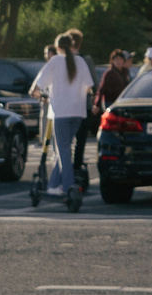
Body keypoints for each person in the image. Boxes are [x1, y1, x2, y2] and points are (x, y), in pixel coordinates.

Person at [32, 30, 97, 203]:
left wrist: (40, 95)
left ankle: (69, 187)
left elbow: (36, 88)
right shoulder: (81, 62)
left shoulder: (55, 61)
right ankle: (54, 185)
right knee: (64, 150)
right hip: (78, 112)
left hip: (60, 113)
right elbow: (89, 87)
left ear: (58, 47)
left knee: (63, 151)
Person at [93, 49, 132, 124]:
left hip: (122, 102)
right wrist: (97, 104)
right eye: (116, 59)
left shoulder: (125, 72)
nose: (118, 61)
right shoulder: (109, 73)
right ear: (112, 61)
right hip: (110, 102)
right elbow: (102, 89)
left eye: (120, 59)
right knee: (111, 123)